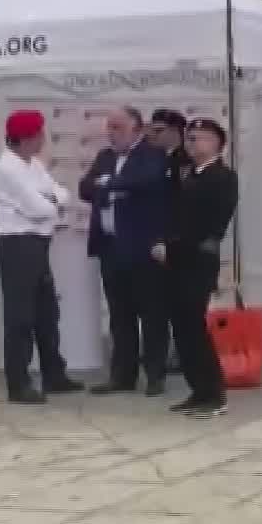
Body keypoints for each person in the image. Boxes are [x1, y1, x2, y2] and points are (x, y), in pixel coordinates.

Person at [81, 107, 171, 396]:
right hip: (110, 247)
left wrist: (107, 185)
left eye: (118, 127)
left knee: (152, 314)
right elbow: (84, 188)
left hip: (143, 249)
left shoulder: (153, 155)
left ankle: (155, 375)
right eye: (109, 127)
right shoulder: (105, 157)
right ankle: (122, 376)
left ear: (137, 129)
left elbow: (145, 181)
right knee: (120, 316)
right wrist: (112, 187)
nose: (111, 132)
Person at [0, 109, 78, 404]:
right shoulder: (8, 167)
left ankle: (54, 373)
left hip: (37, 244)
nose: (44, 139)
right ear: (27, 137)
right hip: (18, 245)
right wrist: (52, 203)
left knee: (46, 313)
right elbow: (38, 208)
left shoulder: (33, 165)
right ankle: (19, 382)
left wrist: (51, 201)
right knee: (20, 317)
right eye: (40, 133)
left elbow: (61, 194)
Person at [155, 117, 238, 418]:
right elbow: (175, 216)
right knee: (182, 328)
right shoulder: (189, 175)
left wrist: (172, 246)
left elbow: (210, 225)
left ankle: (214, 392)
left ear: (218, 143)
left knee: (194, 326)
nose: (194, 143)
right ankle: (198, 390)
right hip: (178, 259)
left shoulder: (222, 177)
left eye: (201, 137)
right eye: (190, 138)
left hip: (197, 260)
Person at [148, 108, 191, 376]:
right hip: (160, 241)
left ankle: (184, 354)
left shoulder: (184, 160)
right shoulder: (156, 159)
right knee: (163, 301)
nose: (153, 135)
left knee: (182, 301)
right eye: (151, 130)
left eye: (159, 130)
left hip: (178, 242)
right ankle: (169, 354)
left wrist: (172, 240)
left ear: (176, 131)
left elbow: (184, 206)